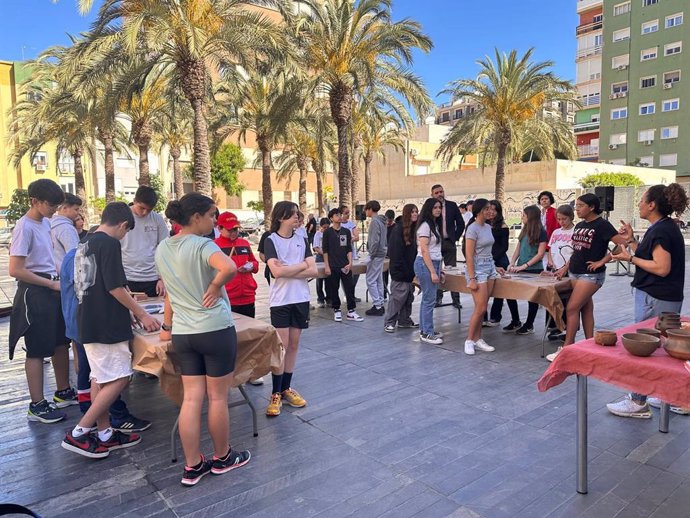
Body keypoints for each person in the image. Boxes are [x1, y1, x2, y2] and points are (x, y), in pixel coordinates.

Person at [155, 194, 250, 485]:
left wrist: (167, 325)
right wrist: (214, 284)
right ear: (195, 217)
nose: (214, 222)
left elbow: (170, 292)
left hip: (184, 334)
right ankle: (223, 457)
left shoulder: (163, 249)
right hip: (214, 329)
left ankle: (193, 465)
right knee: (218, 397)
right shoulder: (203, 244)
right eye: (211, 216)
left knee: (192, 399)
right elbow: (229, 267)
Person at [62, 202, 160, 459]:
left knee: (100, 378)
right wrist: (142, 313)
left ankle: (104, 432)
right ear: (123, 225)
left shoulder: (86, 243)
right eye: (126, 232)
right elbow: (115, 287)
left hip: (89, 322)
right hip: (107, 325)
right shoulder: (109, 243)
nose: (124, 236)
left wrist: (128, 311)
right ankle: (80, 431)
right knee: (120, 378)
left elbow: (101, 285)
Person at [606, 184, 689, 418]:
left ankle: (637, 401)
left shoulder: (661, 230)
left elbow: (662, 267)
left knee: (644, 347)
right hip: (662, 297)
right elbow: (650, 256)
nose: (639, 204)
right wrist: (632, 241)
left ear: (652, 205)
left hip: (656, 297)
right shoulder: (664, 228)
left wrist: (630, 257)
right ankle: (664, 395)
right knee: (663, 348)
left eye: (642, 200)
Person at [61, 246, 152, 435]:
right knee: (116, 375)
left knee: (97, 375)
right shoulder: (87, 256)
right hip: (89, 325)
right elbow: (107, 289)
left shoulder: (77, 255)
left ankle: (103, 429)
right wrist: (136, 311)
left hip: (81, 323)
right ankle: (86, 426)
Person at [8, 179, 76, 424]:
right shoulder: (24, 227)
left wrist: (63, 279)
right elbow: (15, 269)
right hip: (35, 292)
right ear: (35, 201)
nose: (54, 209)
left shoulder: (46, 223)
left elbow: (49, 257)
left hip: (53, 287)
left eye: (58, 205)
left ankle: (63, 391)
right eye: (51, 204)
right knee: (37, 349)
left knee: (61, 342)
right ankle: (37, 404)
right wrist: (49, 283)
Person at [546, 193, 628, 362]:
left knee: (571, 308)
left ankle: (567, 349)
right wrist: (564, 268)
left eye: (580, 206)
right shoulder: (580, 225)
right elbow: (577, 249)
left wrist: (602, 261)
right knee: (585, 308)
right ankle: (591, 347)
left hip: (590, 275)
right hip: (575, 271)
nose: (577, 209)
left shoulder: (602, 225)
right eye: (576, 206)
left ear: (591, 207)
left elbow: (622, 244)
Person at [263, 201, 318, 417]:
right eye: (293, 214)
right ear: (280, 217)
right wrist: (301, 266)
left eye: (297, 214)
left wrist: (290, 269)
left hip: (300, 299)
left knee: (294, 345)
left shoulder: (302, 239)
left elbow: (313, 269)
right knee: (282, 347)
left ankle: (286, 388)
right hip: (281, 301)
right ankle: (275, 392)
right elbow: (276, 273)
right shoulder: (271, 240)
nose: (297, 217)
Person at [503, 205, 548, 335]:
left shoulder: (541, 231)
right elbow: (518, 248)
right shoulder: (524, 230)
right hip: (519, 267)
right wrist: (512, 263)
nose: (521, 217)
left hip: (534, 269)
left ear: (531, 216)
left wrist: (525, 266)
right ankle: (516, 320)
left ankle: (529, 324)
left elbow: (540, 253)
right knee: (509, 293)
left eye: (524, 215)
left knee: (532, 298)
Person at [463, 199, 498, 355]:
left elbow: (488, 250)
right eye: (486, 209)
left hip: (490, 266)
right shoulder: (472, 229)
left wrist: (495, 267)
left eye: (491, 209)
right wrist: (472, 278)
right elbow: (469, 256)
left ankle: (477, 339)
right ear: (479, 211)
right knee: (480, 307)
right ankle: (469, 340)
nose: (490, 212)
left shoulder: (488, 227)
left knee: (484, 306)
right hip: (478, 269)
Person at [120, 186, 169, 298]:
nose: (145, 213)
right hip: (128, 277)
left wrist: (162, 278)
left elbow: (164, 249)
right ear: (134, 201)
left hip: (152, 278)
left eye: (149, 210)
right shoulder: (122, 218)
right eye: (142, 208)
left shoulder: (157, 219)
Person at [214, 212, 259, 318]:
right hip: (228, 297)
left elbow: (255, 263)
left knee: (249, 329)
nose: (234, 233)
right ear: (220, 229)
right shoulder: (214, 246)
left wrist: (251, 266)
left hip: (248, 296)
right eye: (230, 230)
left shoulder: (244, 243)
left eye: (236, 229)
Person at [323, 208, 364, 323]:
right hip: (333, 265)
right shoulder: (327, 232)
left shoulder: (346, 231)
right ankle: (337, 309)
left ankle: (351, 311)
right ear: (331, 218)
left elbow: (348, 249)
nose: (339, 217)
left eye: (340, 214)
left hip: (345, 265)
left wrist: (350, 263)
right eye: (336, 215)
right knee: (334, 288)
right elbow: (325, 250)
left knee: (349, 288)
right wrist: (327, 266)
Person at [414, 198, 444, 345]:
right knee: (429, 299)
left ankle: (425, 329)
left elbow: (434, 250)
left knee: (428, 298)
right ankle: (427, 332)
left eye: (439, 207)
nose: (438, 210)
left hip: (433, 263)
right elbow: (425, 250)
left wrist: (439, 269)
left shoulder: (434, 225)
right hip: (426, 264)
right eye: (435, 208)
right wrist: (433, 271)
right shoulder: (425, 226)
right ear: (429, 209)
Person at [384, 204, 418, 333]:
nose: (415, 214)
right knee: (398, 298)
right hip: (400, 271)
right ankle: (389, 321)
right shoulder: (398, 230)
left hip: (410, 271)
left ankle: (404, 320)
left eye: (416, 211)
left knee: (408, 297)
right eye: (412, 212)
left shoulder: (413, 229)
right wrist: (399, 270)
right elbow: (395, 252)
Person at [431, 184, 465, 308]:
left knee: (452, 271)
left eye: (441, 191)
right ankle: (437, 298)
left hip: (449, 242)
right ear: (432, 195)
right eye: (436, 193)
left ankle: (456, 300)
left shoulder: (452, 205)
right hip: (435, 244)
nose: (440, 194)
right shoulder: (431, 207)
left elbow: (460, 223)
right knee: (437, 270)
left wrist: (454, 238)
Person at [544, 204, 575, 341]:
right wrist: (550, 261)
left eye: (564, 219)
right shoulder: (556, 232)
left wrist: (565, 268)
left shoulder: (575, 231)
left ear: (571, 218)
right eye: (559, 219)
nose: (561, 222)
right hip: (555, 269)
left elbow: (575, 253)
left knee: (566, 300)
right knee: (551, 298)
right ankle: (554, 326)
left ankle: (565, 328)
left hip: (568, 270)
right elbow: (550, 248)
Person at [483, 200, 509, 327]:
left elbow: (504, 247)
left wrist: (492, 258)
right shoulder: (483, 224)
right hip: (485, 260)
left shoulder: (503, 226)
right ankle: (483, 316)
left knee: (499, 291)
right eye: (489, 209)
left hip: (500, 259)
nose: (491, 212)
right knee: (484, 288)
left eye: (494, 209)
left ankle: (496, 316)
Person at [364, 200, 387, 316]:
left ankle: (377, 304)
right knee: (378, 279)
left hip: (376, 254)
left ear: (369, 209)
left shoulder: (374, 222)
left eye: (366, 209)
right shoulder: (382, 221)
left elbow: (374, 240)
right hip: (382, 252)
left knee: (370, 280)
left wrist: (371, 255)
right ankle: (380, 303)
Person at [50, 193, 82, 273]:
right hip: (65, 276)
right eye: (76, 209)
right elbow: (74, 256)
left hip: (52, 273)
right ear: (65, 208)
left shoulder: (48, 224)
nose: (78, 213)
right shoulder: (66, 228)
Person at [340, 206, 362, 302]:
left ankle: (351, 292)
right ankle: (348, 295)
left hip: (352, 251)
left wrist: (349, 239)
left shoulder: (351, 224)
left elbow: (357, 237)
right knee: (345, 273)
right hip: (342, 253)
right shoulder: (338, 225)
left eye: (348, 213)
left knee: (356, 273)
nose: (348, 215)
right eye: (346, 213)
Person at [312, 217, 330, 307]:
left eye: (327, 227)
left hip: (329, 258)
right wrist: (324, 253)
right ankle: (320, 298)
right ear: (321, 227)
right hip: (320, 257)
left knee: (329, 279)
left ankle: (329, 298)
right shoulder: (318, 234)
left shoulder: (331, 234)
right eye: (324, 228)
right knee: (319, 279)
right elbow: (316, 247)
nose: (326, 229)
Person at [382, 209, 396, 300]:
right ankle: (384, 293)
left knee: (394, 275)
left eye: (390, 221)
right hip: (385, 255)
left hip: (394, 255)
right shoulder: (383, 226)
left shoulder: (396, 227)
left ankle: (394, 293)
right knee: (384, 275)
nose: (388, 222)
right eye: (387, 221)